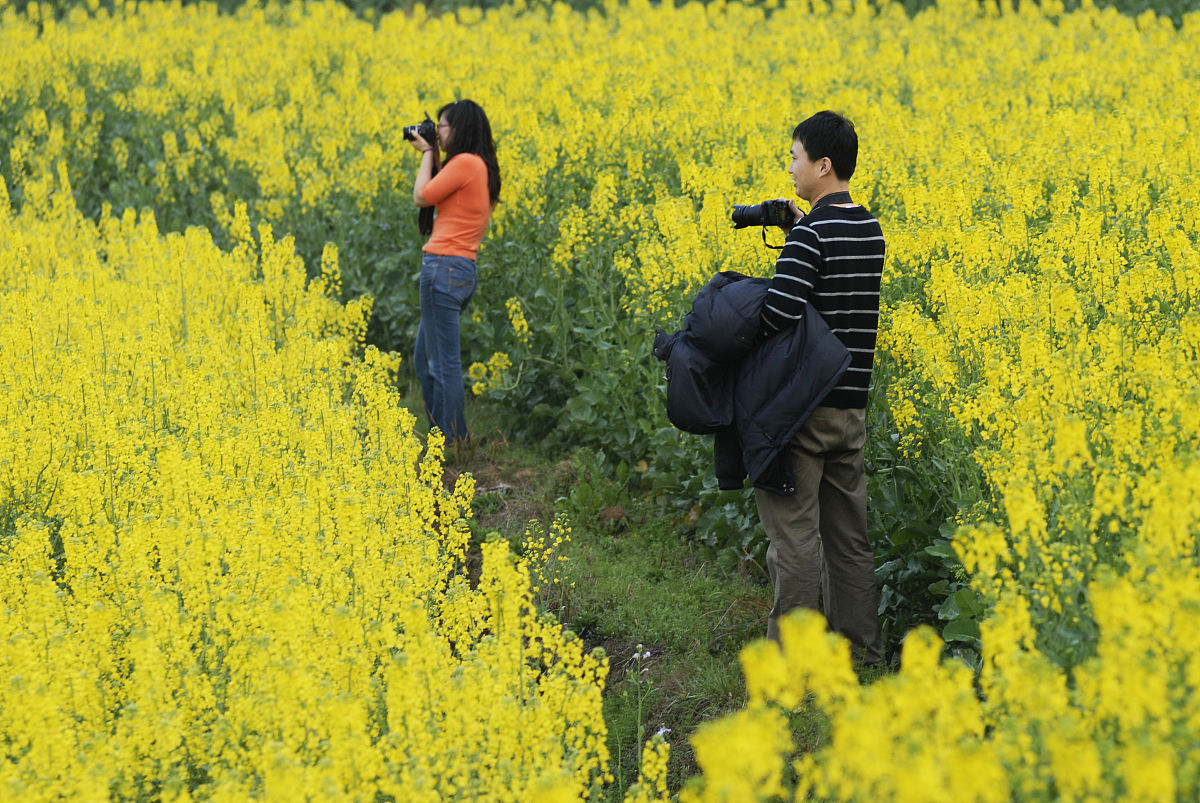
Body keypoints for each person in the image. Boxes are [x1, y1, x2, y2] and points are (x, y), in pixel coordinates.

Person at [754, 110, 885, 664]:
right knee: (848, 538)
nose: (790, 169)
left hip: (805, 411)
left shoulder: (811, 234)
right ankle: (862, 653)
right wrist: (798, 234)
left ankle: (792, 664)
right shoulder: (870, 228)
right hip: (850, 409)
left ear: (823, 165)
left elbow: (777, 314)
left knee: (795, 540)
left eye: (795, 157)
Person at [408, 99, 501, 449]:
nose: (438, 133)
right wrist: (433, 152)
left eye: (442, 126)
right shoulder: (478, 166)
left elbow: (423, 196)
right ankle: (444, 435)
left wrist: (425, 153)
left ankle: (452, 442)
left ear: (459, 129)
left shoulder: (465, 163)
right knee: (424, 360)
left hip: (444, 269)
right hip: (457, 270)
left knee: (442, 364)